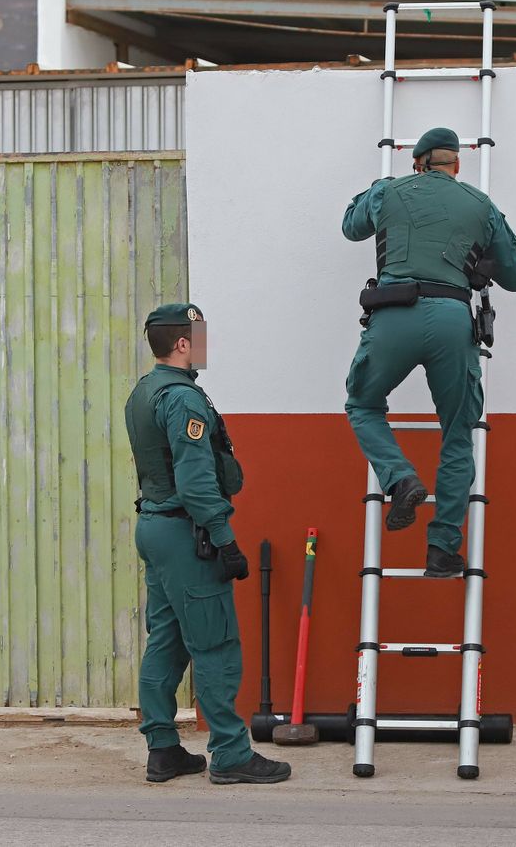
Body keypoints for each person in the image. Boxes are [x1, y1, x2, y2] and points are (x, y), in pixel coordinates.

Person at [340, 126, 516, 578]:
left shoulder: (389, 191)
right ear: (457, 164)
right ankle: (443, 550)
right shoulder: (482, 206)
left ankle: (400, 479)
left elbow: (351, 228)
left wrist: (378, 189)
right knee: (458, 433)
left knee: (363, 404)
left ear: (417, 162)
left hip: (393, 316)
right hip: (452, 318)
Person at [123, 303, 291, 785]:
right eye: (197, 335)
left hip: (155, 527)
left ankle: (163, 750)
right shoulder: (184, 399)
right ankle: (232, 754)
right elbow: (197, 484)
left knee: (168, 640)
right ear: (181, 343)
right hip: (186, 534)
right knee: (215, 644)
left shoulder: (144, 391)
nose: (203, 343)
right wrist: (225, 539)